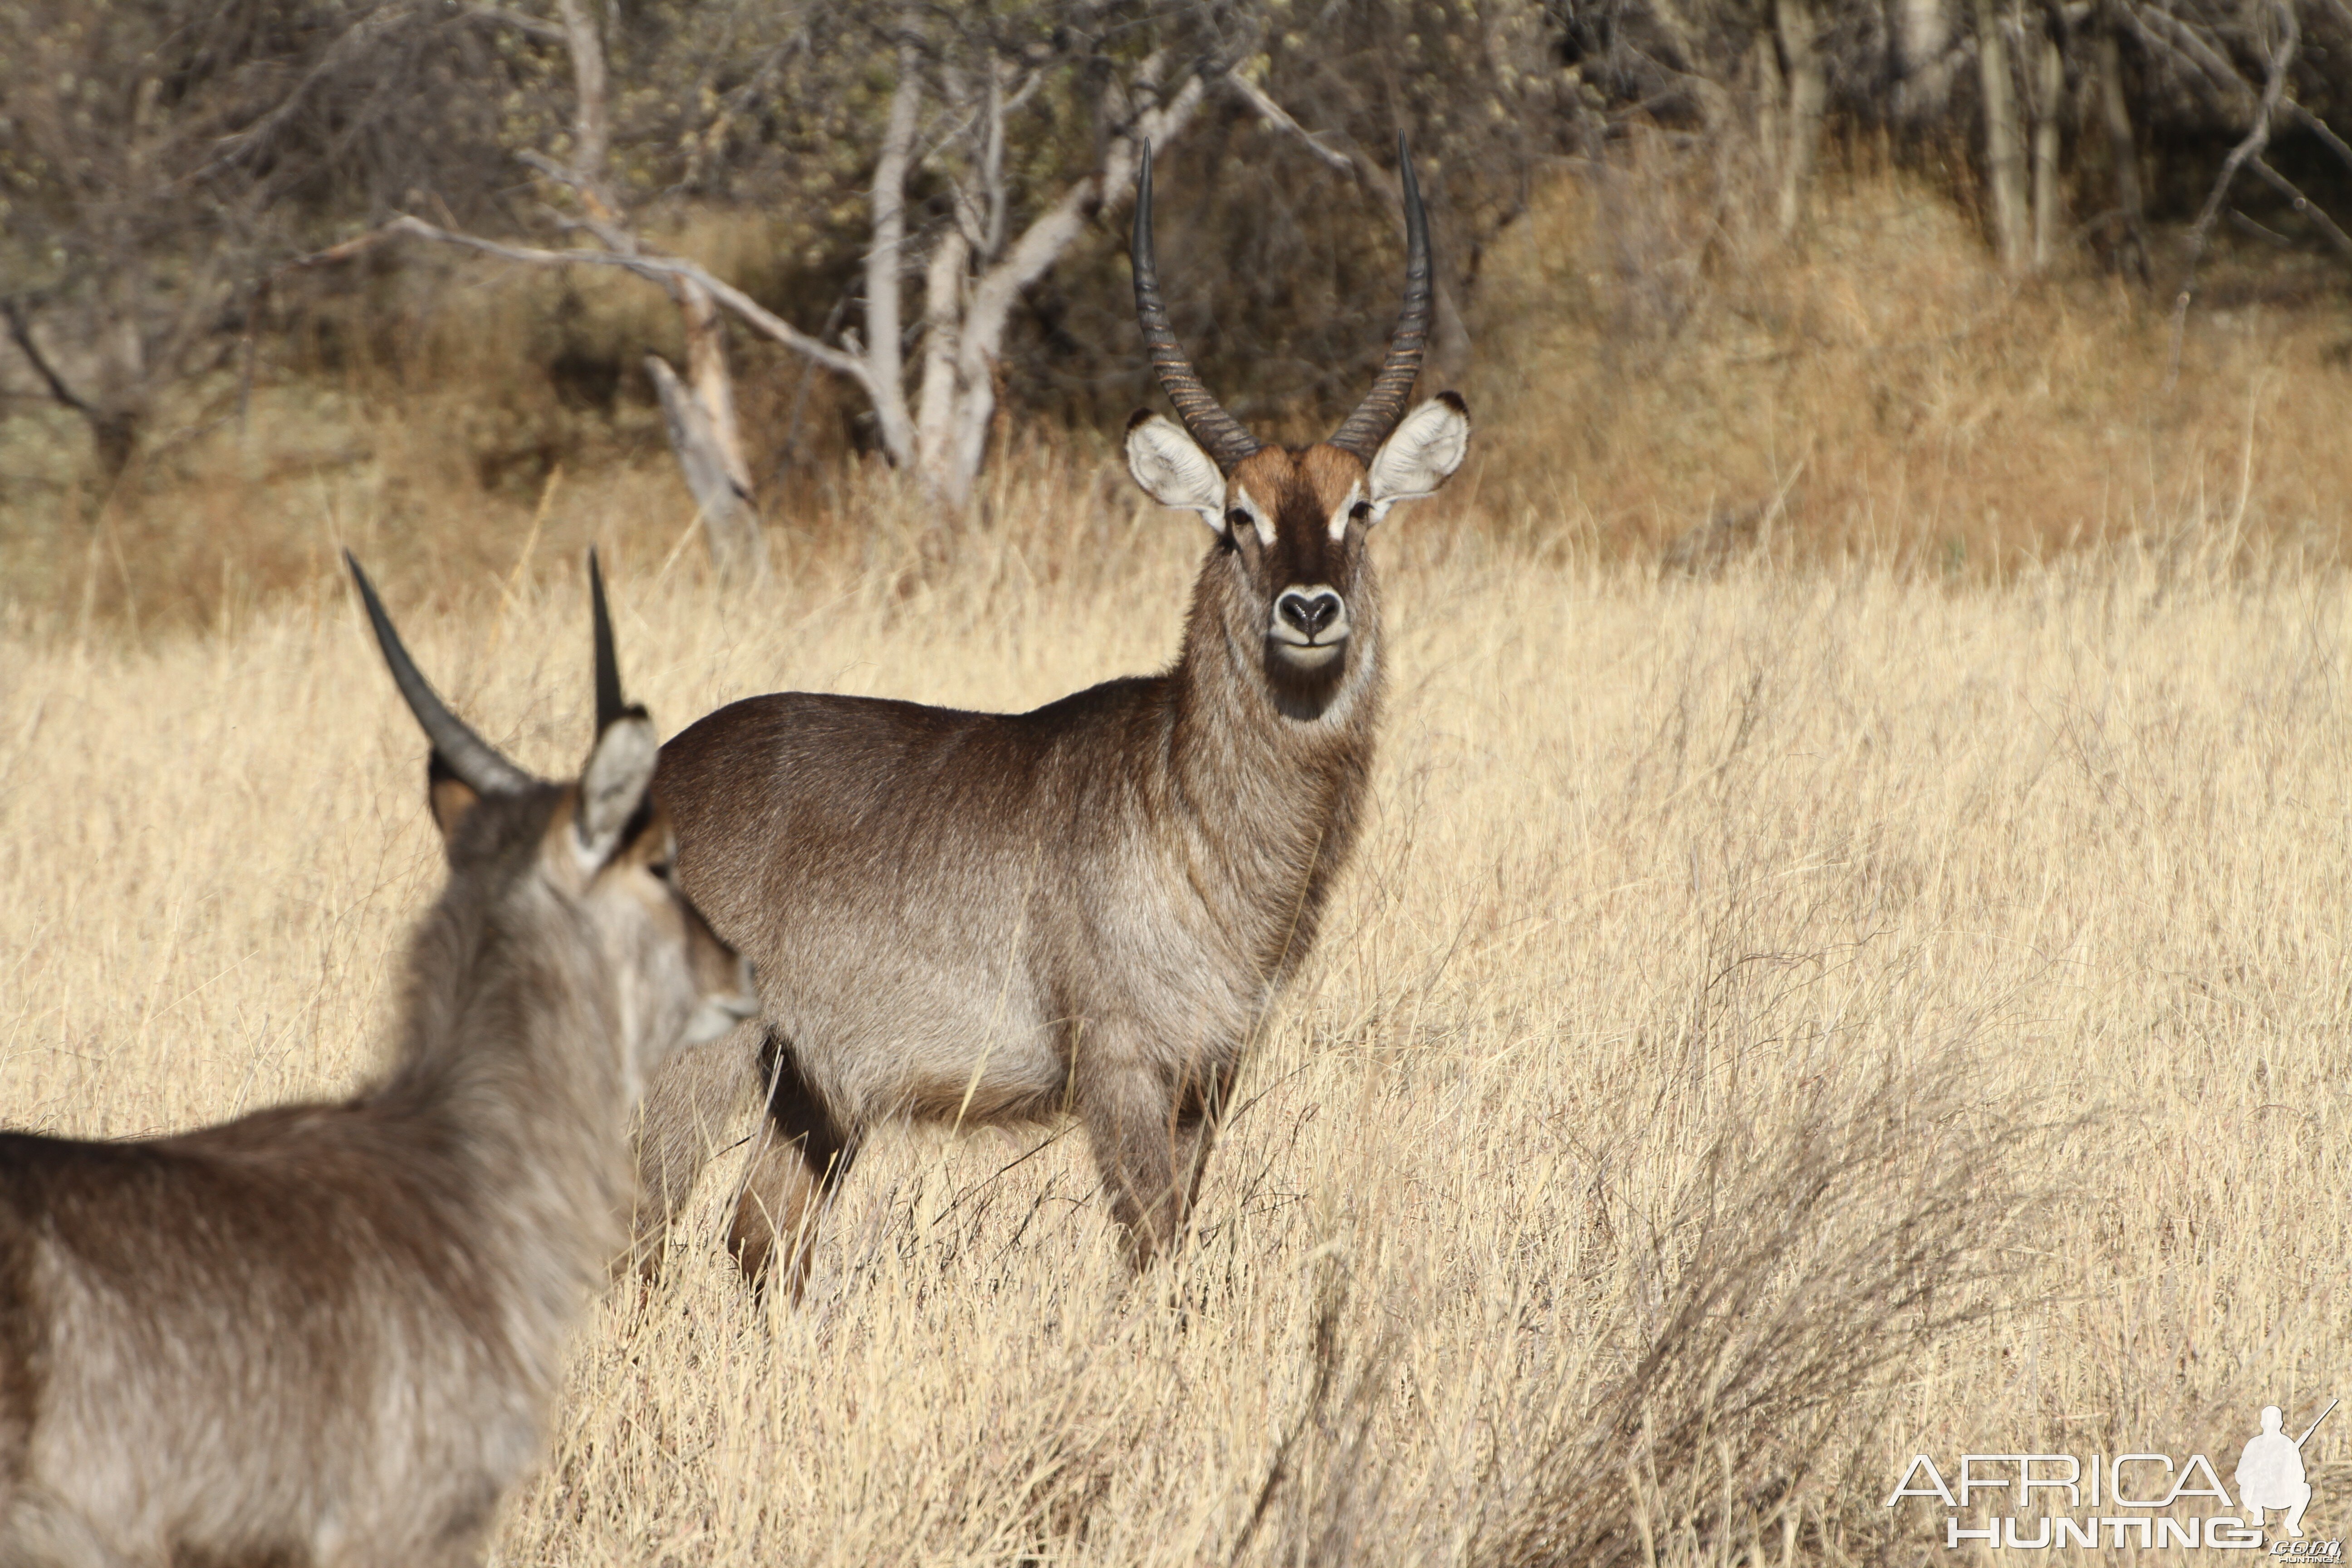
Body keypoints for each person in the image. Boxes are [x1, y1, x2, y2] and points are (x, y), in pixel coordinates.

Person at [2238, 1405, 2314, 1537]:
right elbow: (2240, 1475)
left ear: (2280, 1423)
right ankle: (2257, 1514)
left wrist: (2284, 1471)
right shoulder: (2254, 1444)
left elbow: (2300, 1475)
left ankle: (2292, 1523)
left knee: (2305, 1489)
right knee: (2246, 1488)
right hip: (2258, 1494)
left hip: (2281, 1494)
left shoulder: (2288, 1445)